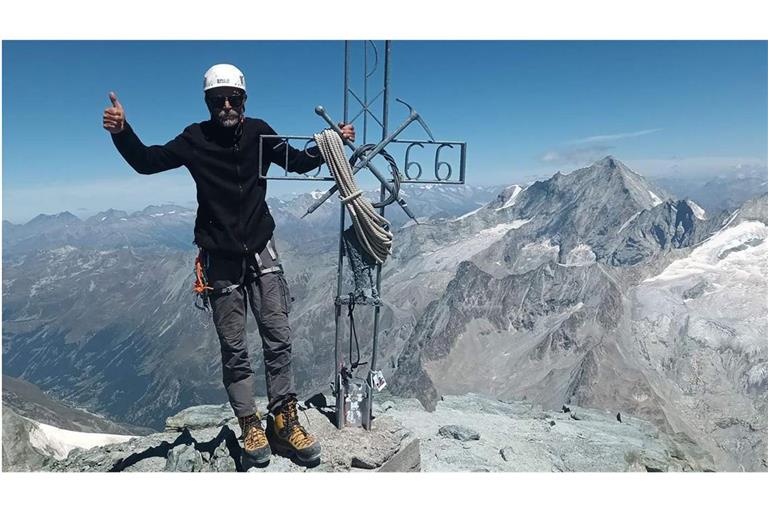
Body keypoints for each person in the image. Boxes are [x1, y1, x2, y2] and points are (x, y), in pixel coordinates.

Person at [103, 63, 355, 465]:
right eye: (217, 99)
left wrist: (331, 145)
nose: (225, 105)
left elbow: (295, 161)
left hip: (259, 246)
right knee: (234, 346)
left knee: (278, 335)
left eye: (232, 98)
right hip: (219, 255)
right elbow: (147, 161)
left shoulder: (259, 131)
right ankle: (249, 423)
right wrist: (122, 133)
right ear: (207, 103)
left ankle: (284, 417)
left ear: (243, 100)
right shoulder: (194, 138)